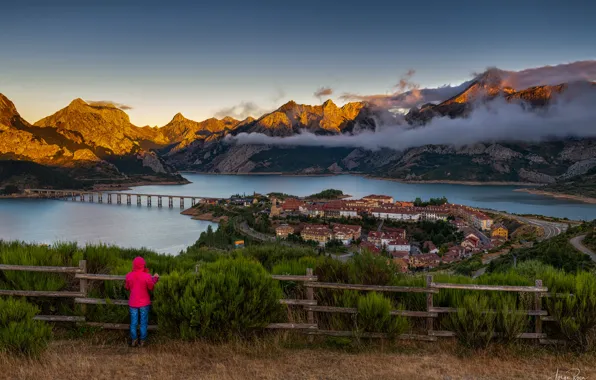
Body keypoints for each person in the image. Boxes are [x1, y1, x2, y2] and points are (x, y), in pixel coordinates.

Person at [125, 256, 159, 347]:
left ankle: (134, 340)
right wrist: (155, 279)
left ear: (134, 265)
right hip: (144, 303)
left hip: (133, 303)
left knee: (133, 323)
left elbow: (127, 287)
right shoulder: (147, 276)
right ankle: (142, 341)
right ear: (143, 265)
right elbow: (151, 287)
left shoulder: (129, 275)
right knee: (143, 322)